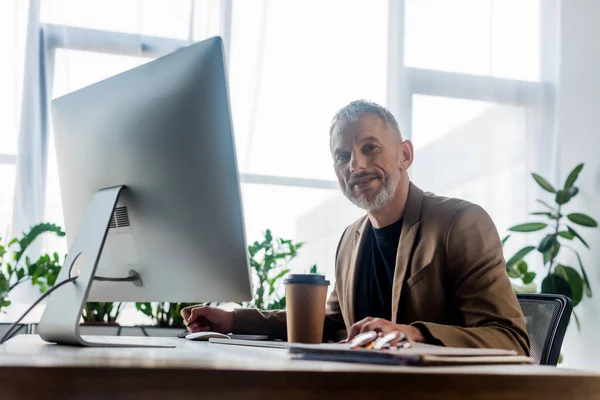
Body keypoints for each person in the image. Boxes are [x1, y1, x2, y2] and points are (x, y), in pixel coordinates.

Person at [182, 100, 530, 355]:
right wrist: (234, 321)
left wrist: (411, 333)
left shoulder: (460, 223)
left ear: (405, 155)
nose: (356, 165)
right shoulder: (351, 239)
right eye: (342, 156)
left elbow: (511, 340)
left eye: (370, 148)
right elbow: (332, 324)